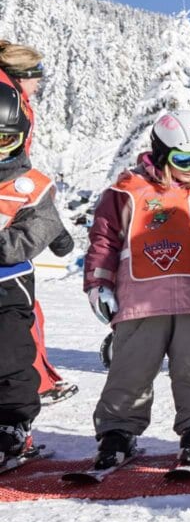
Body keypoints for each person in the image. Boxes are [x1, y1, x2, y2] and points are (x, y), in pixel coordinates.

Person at [83, 110, 190, 470]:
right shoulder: (128, 191)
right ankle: (118, 431)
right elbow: (103, 240)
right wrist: (98, 284)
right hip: (140, 299)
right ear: (162, 153)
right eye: (185, 159)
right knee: (131, 368)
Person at [0, 42, 78, 404]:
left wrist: (51, 223)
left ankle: (38, 380)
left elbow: (25, 179)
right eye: (37, 79)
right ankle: (34, 384)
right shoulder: (10, 102)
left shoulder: (15, 99)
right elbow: (20, 173)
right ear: (23, 76)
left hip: (19, 199)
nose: (39, 87)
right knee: (21, 316)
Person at [0, 74, 63, 463]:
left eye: (3, 140)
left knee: (9, 358)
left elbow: (38, 229)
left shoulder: (29, 184)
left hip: (7, 290)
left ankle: (13, 425)